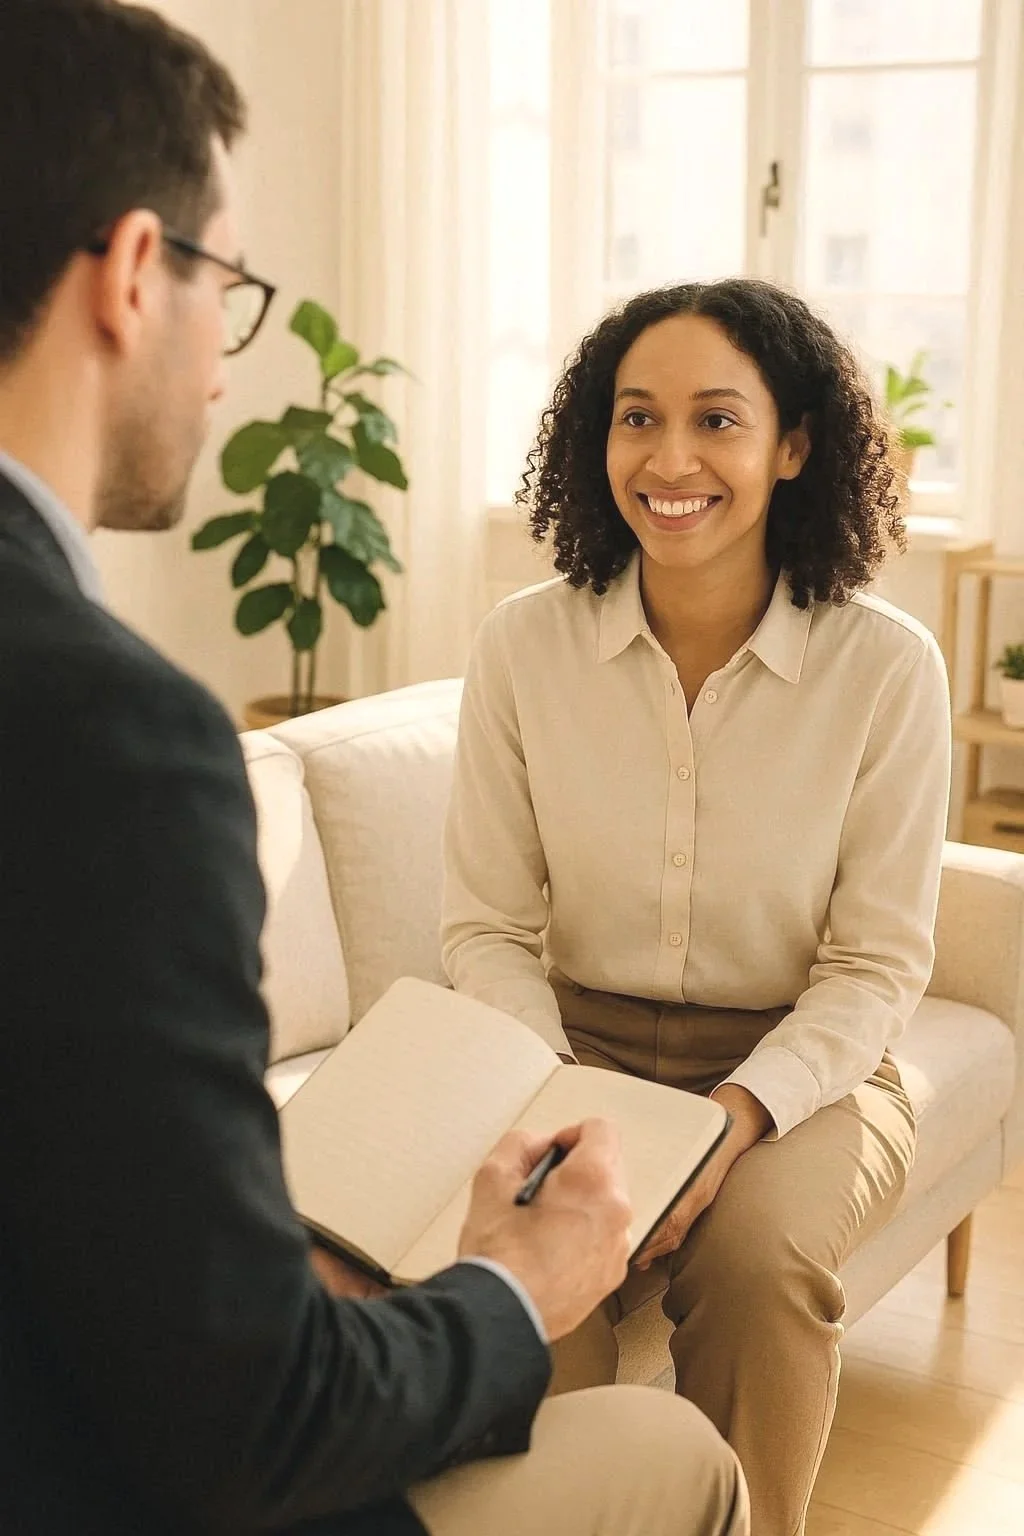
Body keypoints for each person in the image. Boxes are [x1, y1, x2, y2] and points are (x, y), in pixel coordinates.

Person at [0, 3, 749, 1535]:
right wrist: (506, 1283)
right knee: (681, 1467)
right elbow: (246, 1431)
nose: (226, 363)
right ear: (138, 271)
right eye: (232, 286)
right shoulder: (112, 740)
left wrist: (261, 1260)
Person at [442, 277, 952, 1536]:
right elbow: (487, 932)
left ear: (793, 448)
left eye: (718, 421)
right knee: (517, 1272)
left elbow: (876, 964)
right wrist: (567, 1097)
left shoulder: (886, 668)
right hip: (569, 1045)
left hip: (804, 1065)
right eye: (635, 419)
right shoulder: (521, 647)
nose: (670, 459)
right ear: (592, 441)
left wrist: (734, 1117)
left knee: (759, 1261)